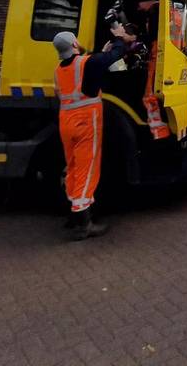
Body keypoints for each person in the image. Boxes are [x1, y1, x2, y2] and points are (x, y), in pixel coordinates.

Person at [51, 24, 135, 240]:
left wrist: (102, 53)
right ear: (74, 44)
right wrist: (118, 38)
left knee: (72, 167)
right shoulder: (88, 63)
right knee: (87, 171)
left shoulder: (59, 70)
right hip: (85, 123)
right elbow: (116, 54)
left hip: (65, 122)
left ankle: (72, 214)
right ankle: (84, 224)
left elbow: (66, 89)